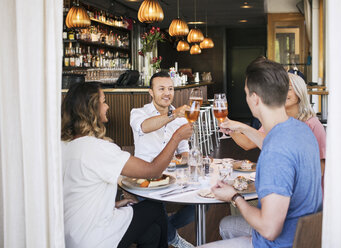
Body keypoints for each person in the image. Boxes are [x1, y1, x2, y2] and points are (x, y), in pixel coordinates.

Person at [200, 58, 322, 247]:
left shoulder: (276, 152)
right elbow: (273, 145)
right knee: (227, 225)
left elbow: (269, 229)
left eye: (247, 94)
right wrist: (240, 127)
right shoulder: (301, 130)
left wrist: (234, 197)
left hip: (277, 243)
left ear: (255, 98)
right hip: (303, 236)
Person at [61, 82, 192, 248]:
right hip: (95, 236)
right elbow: (153, 170)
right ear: (91, 109)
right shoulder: (97, 148)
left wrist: (115, 204)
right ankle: (171, 238)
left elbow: (76, 194)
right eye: (104, 101)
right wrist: (177, 137)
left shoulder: (63, 145)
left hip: (70, 233)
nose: (107, 106)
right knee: (154, 208)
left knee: (151, 232)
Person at [130, 71, 195, 248]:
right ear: (151, 92)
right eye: (161, 89)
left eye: (170, 88)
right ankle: (173, 237)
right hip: (145, 180)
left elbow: (184, 152)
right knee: (154, 208)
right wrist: (173, 116)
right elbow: (144, 127)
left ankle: (167, 228)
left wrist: (186, 161)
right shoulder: (138, 113)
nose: (167, 93)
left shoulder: (181, 119)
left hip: (173, 179)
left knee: (199, 204)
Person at [223, 72, 326, 176]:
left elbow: (321, 169)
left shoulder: (312, 124)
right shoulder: (275, 120)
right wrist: (228, 127)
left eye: (288, 89)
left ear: (300, 92)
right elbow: (249, 143)